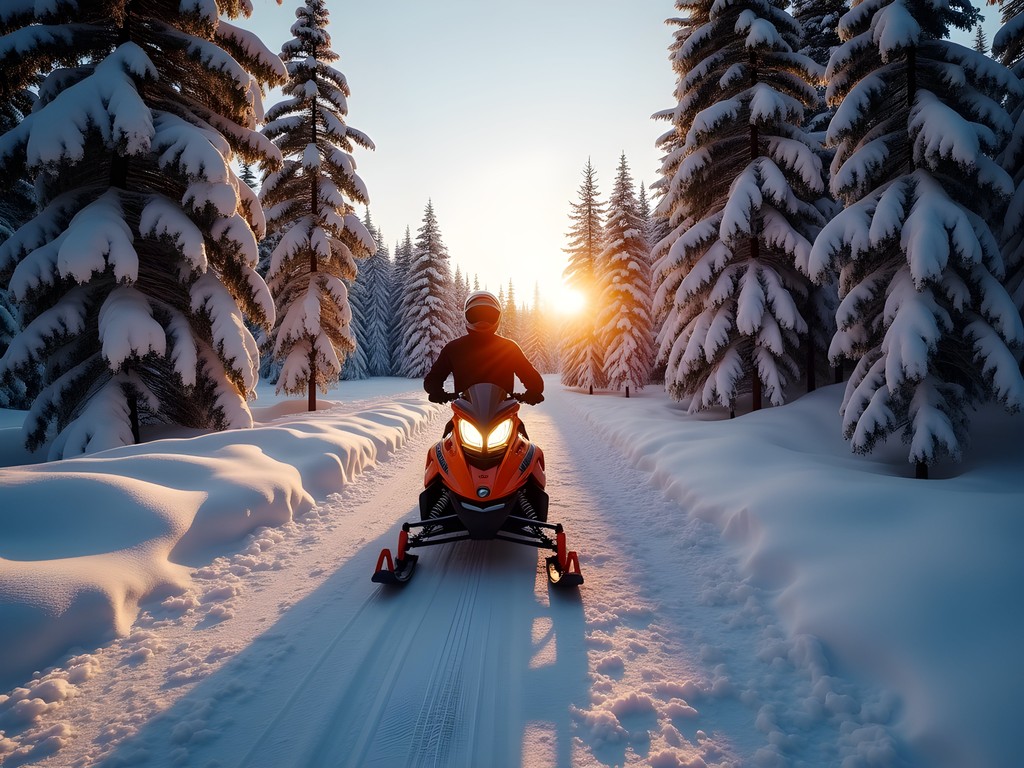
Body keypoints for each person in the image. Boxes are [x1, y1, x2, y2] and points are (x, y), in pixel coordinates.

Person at [424, 290, 545, 405]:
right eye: (476, 315)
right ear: (466, 316)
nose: (482, 321)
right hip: (465, 412)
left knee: (519, 427)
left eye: (489, 315)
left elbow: (533, 380)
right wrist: (436, 392)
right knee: (451, 427)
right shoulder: (453, 348)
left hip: (503, 412)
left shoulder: (509, 348)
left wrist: (533, 392)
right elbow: (433, 378)